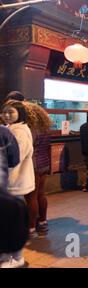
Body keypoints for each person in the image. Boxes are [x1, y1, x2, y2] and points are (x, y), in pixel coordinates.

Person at [0, 101, 35, 268]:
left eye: (10, 112)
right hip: (11, 181)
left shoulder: (19, 132)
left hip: (14, 181)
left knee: (9, 220)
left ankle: (14, 258)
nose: (6, 115)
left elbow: (15, 158)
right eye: (5, 112)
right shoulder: (12, 130)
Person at [20, 102, 52, 238]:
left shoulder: (29, 129)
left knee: (31, 197)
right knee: (41, 194)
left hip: (32, 165)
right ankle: (43, 222)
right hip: (44, 164)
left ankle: (31, 228)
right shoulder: (44, 127)